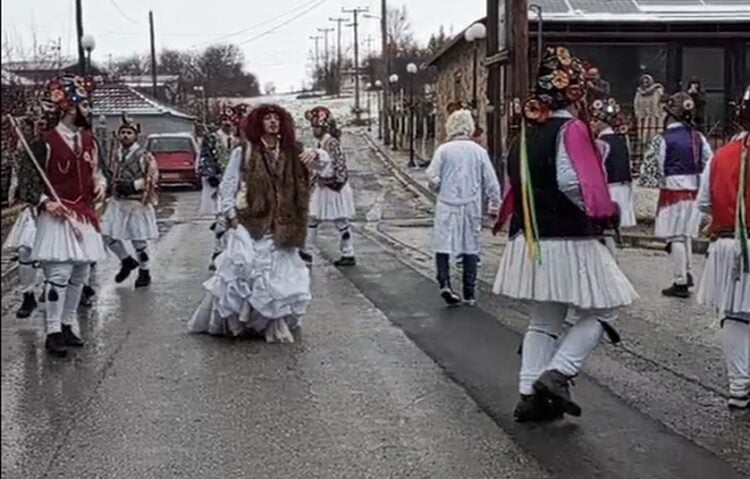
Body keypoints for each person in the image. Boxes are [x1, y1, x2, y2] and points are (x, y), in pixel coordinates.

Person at [492, 46, 638, 422]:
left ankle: (529, 393)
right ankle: (559, 372)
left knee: (544, 318)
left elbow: (514, 182)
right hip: (569, 235)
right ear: (573, 92)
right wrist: (601, 211)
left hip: (532, 235)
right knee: (606, 308)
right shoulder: (571, 129)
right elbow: (572, 181)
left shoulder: (524, 132)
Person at [188, 104, 332, 343]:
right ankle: (245, 321)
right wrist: (230, 216)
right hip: (251, 222)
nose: (273, 122)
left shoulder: (292, 151)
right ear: (258, 124)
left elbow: (323, 168)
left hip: (284, 224)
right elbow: (228, 185)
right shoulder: (244, 151)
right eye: (267, 119)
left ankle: (273, 322)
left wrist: (318, 155)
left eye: (277, 118)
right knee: (246, 272)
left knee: (279, 276)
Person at [29, 74, 108, 357]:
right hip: (57, 215)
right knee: (59, 273)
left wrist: (100, 185)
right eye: (85, 104)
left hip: (84, 214)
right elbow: (29, 182)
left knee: (80, 272)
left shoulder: (89, 139)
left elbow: (98, 172)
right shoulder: (45, 141)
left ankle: (67, 324)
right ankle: (51, 331)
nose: (89, 110)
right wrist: (45, 202)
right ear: (70, 108)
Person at [696, 86, 750, 410]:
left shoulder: (721, 155)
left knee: (735, 316)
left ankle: (739, 387)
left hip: (727, 244)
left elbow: (704, 203)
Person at [641, 91, 712, 298]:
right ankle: (687, 273)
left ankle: (680, 280)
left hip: (673, 191)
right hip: (694, 191)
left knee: (676, 237)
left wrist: (657, 181)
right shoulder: (698, 137)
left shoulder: (663, 138)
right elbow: (710, 161)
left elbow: (653, 167)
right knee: (686, 234)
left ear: (670, 114)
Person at [427, 109, 500, 306]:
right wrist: (494, 204)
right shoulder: (478, 151)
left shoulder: (443, 150)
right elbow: (491, 181)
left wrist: (438, 186)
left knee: (443, 243)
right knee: (470, 245)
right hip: (471, 203)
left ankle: (444, 283)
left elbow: (432, 176)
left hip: (447, 203)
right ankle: (469, 292)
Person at [100, 115, 159, 288]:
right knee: (106, 234)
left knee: (138, 240)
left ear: (136, 135)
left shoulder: (144, 155)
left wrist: (133, 185)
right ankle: (125, 260)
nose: (125, 135)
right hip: (118, 201)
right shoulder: (114, 153)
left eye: (129, 132)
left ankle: (144, 271)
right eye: (123, 132)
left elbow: (152, 177)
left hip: (136, 203)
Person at [301, 106, 356, 267]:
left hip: (333, 188)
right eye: (313, 126)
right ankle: (308, 251)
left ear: (324, 126)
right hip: (324, 186)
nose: (314, 129)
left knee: (339, 219)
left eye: (316, 126)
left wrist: (334, 181)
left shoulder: (330, 142)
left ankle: (348, 252)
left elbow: (338, 165)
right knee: (313, 218)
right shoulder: (321, 142)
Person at [4, 116, 46, 318]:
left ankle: (53, 287)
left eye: (25, 127)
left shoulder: (46, 146)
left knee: (52, 252)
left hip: (50, 205)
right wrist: (14, 188)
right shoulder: (19, 150)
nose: (21, 130)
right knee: (25, 251)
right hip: (29, 207)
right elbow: (17, 172)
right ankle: (28, 295)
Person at [590, 97, 636, 256]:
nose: (592, 124)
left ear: (603, 122)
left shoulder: (600, 143)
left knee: (607, 226)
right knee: (614, 226)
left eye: (595, 121)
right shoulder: (621, 140)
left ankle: (612, 260)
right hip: (623, 185)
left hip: (609, 187)